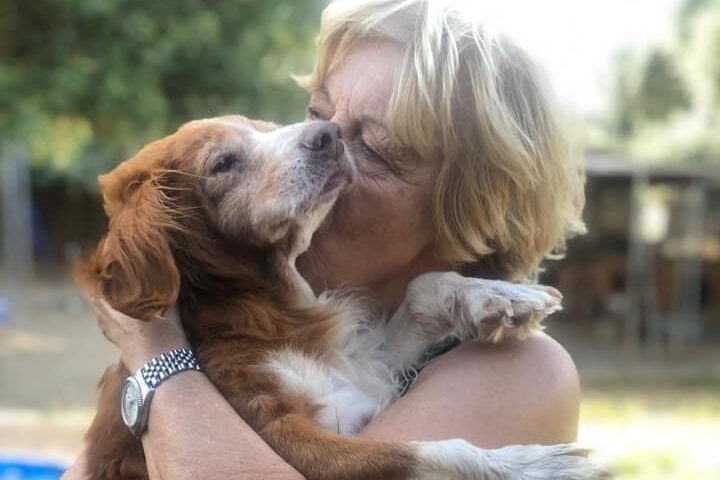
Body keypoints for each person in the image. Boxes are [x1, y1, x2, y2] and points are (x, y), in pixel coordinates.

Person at [64, 0, 586, 478]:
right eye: (318, 113)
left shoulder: (519, 369)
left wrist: (157, 358)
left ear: (471, 214)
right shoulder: (251, 319)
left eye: (379, 150)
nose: (321, 138)